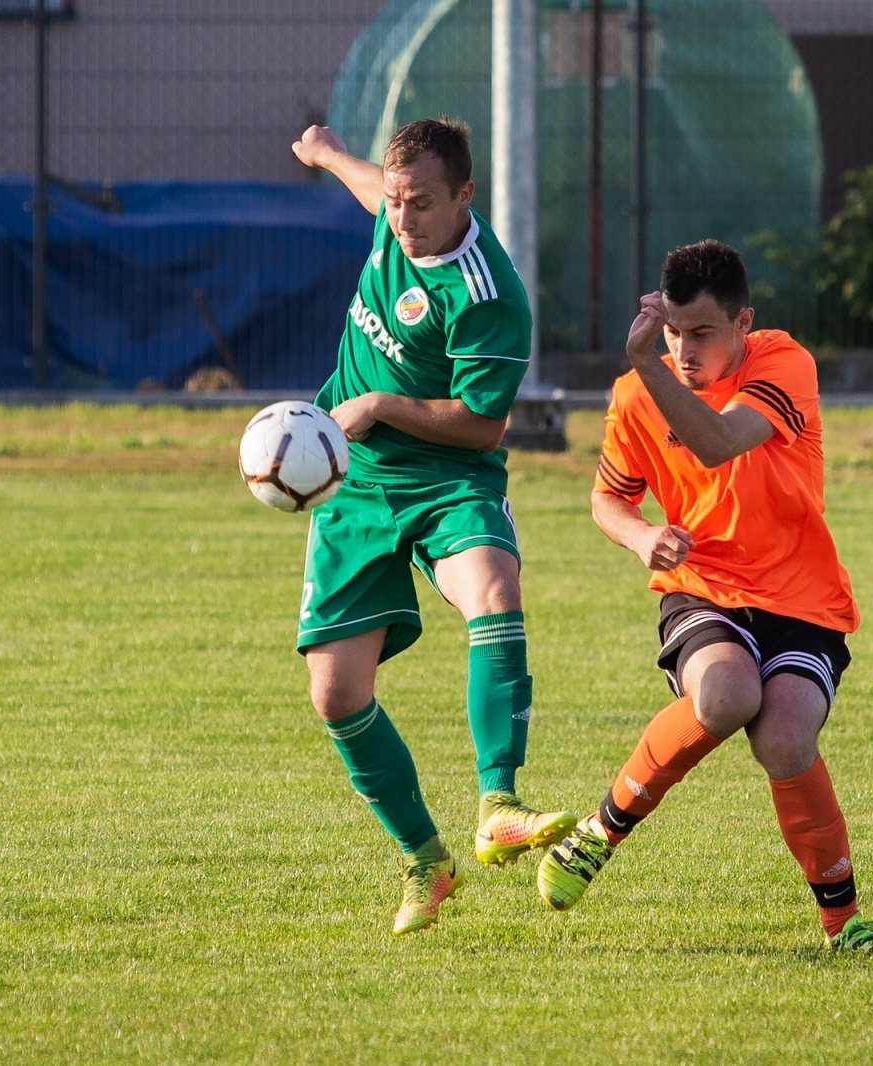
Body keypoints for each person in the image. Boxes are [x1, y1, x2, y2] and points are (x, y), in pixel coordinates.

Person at [534, 239, 873, 951]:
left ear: (744, 323)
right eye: (672, 332)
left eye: (702, 333)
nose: (684, 348)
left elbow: (718, 443)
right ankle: (601, 830)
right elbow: (608, 499)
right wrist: (641, 539)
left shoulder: (784, 363)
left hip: (802, 599)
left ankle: (844, 922)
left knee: (787, 735)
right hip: (705, 591)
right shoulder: (636, 393)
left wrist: (647, 363)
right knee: (726, 695)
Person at [289, 117, 576, 935]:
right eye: (396, 201)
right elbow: (366, 183)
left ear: (464, 197)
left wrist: (378, 404)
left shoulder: (490, 295)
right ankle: (425, 858)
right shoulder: (391, 204)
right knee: (337, 694)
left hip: (449, 476)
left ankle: (500, 800)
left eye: (421, 204)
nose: (403, 219)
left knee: (494, 586)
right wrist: (322, 152)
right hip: (354, 481)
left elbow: (483, 425)